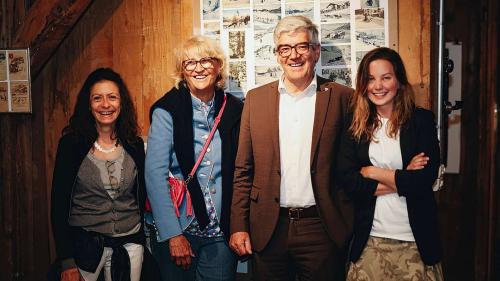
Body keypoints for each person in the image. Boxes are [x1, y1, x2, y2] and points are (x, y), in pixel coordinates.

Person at [229, 15, 353, 280]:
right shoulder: (256, 99)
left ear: (316, 51)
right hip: (268, 228)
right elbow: (243, 170)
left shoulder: (343, 98)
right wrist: (238, 226)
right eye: (285, 48)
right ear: (277, 54)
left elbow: (351, 166)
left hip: (321, 228)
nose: (294, 55)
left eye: (302, 46)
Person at [336, 47, 444, 280]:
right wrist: (403, 175)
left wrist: (372, 171)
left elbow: (425, 179)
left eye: (386, 77)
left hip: (416, 242)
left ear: (399, 81)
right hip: (369, 241)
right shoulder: (355, 125)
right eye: (371, 79)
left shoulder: (420, 121)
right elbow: (348, 181)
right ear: (363, 85)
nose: (378, 86)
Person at [145, 35, 243, 281]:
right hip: (180, 228)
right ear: (182, 70)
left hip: (221, 232)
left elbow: (242, 171)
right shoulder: (166, 109)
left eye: (206, 60)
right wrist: (172, 235)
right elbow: (155, 175)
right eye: (190, 63)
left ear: (218, 66)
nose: (198, 68)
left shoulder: (234, 109)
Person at [51, 68, 150, 281]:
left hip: (130, 248)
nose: (105, 105)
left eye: (112, 97)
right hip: (84, 251)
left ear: (121, 103)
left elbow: (141, 196)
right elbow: (58, 205)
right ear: (89, 104)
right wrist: (66, 260)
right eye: (98, 98)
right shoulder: (70, 145)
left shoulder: (134, 145)